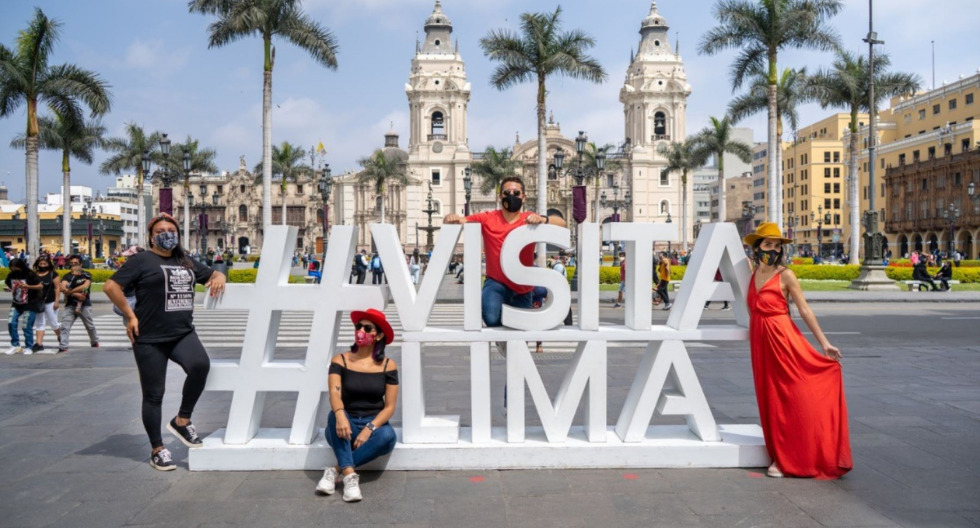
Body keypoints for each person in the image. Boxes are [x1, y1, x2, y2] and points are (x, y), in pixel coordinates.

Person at [103, 213, 227, 471]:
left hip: (182, 332)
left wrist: (219, 277)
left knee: (200, 365)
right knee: (154, 395)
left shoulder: (185, 261)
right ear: (151, 236)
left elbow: (213, 274)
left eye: (171, 229)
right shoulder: (141, 260)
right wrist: (129, 315)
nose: (166, 233)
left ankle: (182, 420)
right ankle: (157, 448)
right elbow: (110, 287)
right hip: (149, 337)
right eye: (160, 230)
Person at [744, 222, 851, 479]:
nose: (772, 250)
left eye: (777, 246)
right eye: (768, 244)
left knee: (790, 396)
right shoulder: (752, 271)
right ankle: (778, 454)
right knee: (769, 397)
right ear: (757, 247)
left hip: (782, 339)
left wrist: (824, 343)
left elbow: (804, 310)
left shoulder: (786, 275)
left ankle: (789, 458)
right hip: (760, 341)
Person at [443, 176, 566, 330]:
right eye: (507, 192)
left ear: (524, 196)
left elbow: (562, 223)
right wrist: (450, 217)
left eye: (516, 192)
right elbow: (459, 221)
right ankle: (503, 337)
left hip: (523, 287)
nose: (511, 195)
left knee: (522, 334)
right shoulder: (487, 218)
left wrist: (542, 219)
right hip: (496, 283)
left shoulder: (529, 219)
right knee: (491, 317)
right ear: (500, 196)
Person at [318, 308, 398, 502]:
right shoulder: (341, 360)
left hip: (373, 424)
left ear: (378, 335)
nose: (360, 330)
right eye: (358, 326)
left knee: (388, 436)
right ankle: (350, 479)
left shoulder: (388, 365)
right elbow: (334, 393)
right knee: (333, 415)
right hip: (345, 424)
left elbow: (389, 407)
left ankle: (337, 471)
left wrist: (369, 429)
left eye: (367, 327)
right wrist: (340, 415)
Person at [58, 255, 100, 353]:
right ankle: (63, 346)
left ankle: (94, 342)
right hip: (70, 304)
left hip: (84, 304)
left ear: (80, 264)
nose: (73, 265)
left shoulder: (86, 274)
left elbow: (85, 286)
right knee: (65, 326)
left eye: (75, 263)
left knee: (89, 326)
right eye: (71, 263)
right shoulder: (67, 276)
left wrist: (70, 291)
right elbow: (63, 288)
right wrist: (75, 294)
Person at [4, 258, 43, 355]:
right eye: (12, 267)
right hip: (16, 302)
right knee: (11, 322)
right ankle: (15, 345)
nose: (14, 269)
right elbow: (10, 284)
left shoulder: (30, 274)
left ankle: (29, 346)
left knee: (26, 325)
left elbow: (40, 286)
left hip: (30, 303)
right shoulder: (11, 275)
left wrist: (28, 287)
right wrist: (9, 289)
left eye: (16, 267)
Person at [31, 255, 62, 353]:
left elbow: (57, 288)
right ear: (37, 264)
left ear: (49, 264)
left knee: (53, 323)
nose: (42, 265)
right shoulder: (34, 274)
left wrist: (57, 301)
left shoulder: (53, 274)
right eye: (40, 264)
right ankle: (39, 344)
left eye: (45, 264)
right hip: (38, 302)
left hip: (50, 302)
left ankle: (61, 337)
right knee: (40, 323)